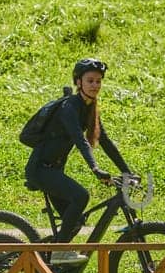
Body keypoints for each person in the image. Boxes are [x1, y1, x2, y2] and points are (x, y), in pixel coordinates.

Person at [24, 59, 132, 261]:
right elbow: (80, 140)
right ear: (78, 82)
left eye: (98, 81)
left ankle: (50, 265)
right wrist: (95, 169)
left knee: (75, 221)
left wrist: (127, 171)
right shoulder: (69, 107)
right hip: (40, 170)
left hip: (53, 171)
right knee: (81, 196)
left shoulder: (90, 108)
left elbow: (105, 141)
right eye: (90, 80)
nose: (95, 85)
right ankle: (60, 251)